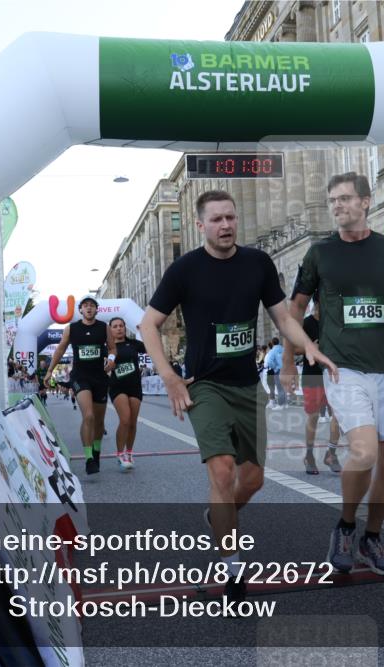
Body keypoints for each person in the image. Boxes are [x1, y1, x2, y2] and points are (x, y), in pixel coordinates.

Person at [140, 189, 336, 603]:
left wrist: (309, 348)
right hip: (205, 385)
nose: (226, 225)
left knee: (253, 480)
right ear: (200, 226)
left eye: (230, 217)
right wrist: (170, 377)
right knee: (223, 471)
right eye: (216, 220)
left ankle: (217, 516)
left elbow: (283, 316)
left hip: (247, 385)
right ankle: (233, 573)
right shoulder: (184, 270)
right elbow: (148, 325)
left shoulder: (258, 264)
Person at [283, 171, 384, 576]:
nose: (338, 205)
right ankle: (345, 527)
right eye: (333, 200)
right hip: (341, 366)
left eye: (345, 198)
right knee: (364, 451)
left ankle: (371, 536)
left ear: (365, 202)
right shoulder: (319, 253)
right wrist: (290, 359)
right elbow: (294, 310)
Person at [47, 295, 115, 475]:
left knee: (99, 422)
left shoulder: (104, 327)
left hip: (100, 377)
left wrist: (112, 360)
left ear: (96, 309)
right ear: (81, 310)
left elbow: (113, 348)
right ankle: (89, 458)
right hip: (80, 377)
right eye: (86, 306)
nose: (89, 308)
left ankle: (97, 452)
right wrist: (49, 371)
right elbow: (60, 349)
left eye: (92, 305)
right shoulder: (72, 328)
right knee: (89, 415)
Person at [295, 299, 342, 475]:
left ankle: (331, 453)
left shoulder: (332, 322)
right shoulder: (307, 323)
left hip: (330, 374)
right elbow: (295, 350)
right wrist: (311, 347)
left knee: (338, 414)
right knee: (313, 417)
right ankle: (308, 456)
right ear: (317, 303)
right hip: (312, 375)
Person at [107, 317, 146, 472]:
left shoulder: (134, 344)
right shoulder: (108, 348)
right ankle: (119, 454)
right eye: (115, 326)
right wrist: (109, 367)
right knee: (125, 419)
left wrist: (144, 330)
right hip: (117, 387)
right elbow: (103, 369)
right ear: (110, 330)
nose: (119, 328)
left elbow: (151, 347)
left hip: (135, 386)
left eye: (121, 325)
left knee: (132, 423)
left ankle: (129, 452)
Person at [264, 337, 284, 408]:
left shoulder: (272, 351)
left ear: (272, 343)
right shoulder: (283, 349)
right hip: (284, 369)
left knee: (278, 388)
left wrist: (275, 367)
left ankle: (280, 404)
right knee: (283, 387)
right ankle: (284, 404)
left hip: (276, 370)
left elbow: (268, 362)